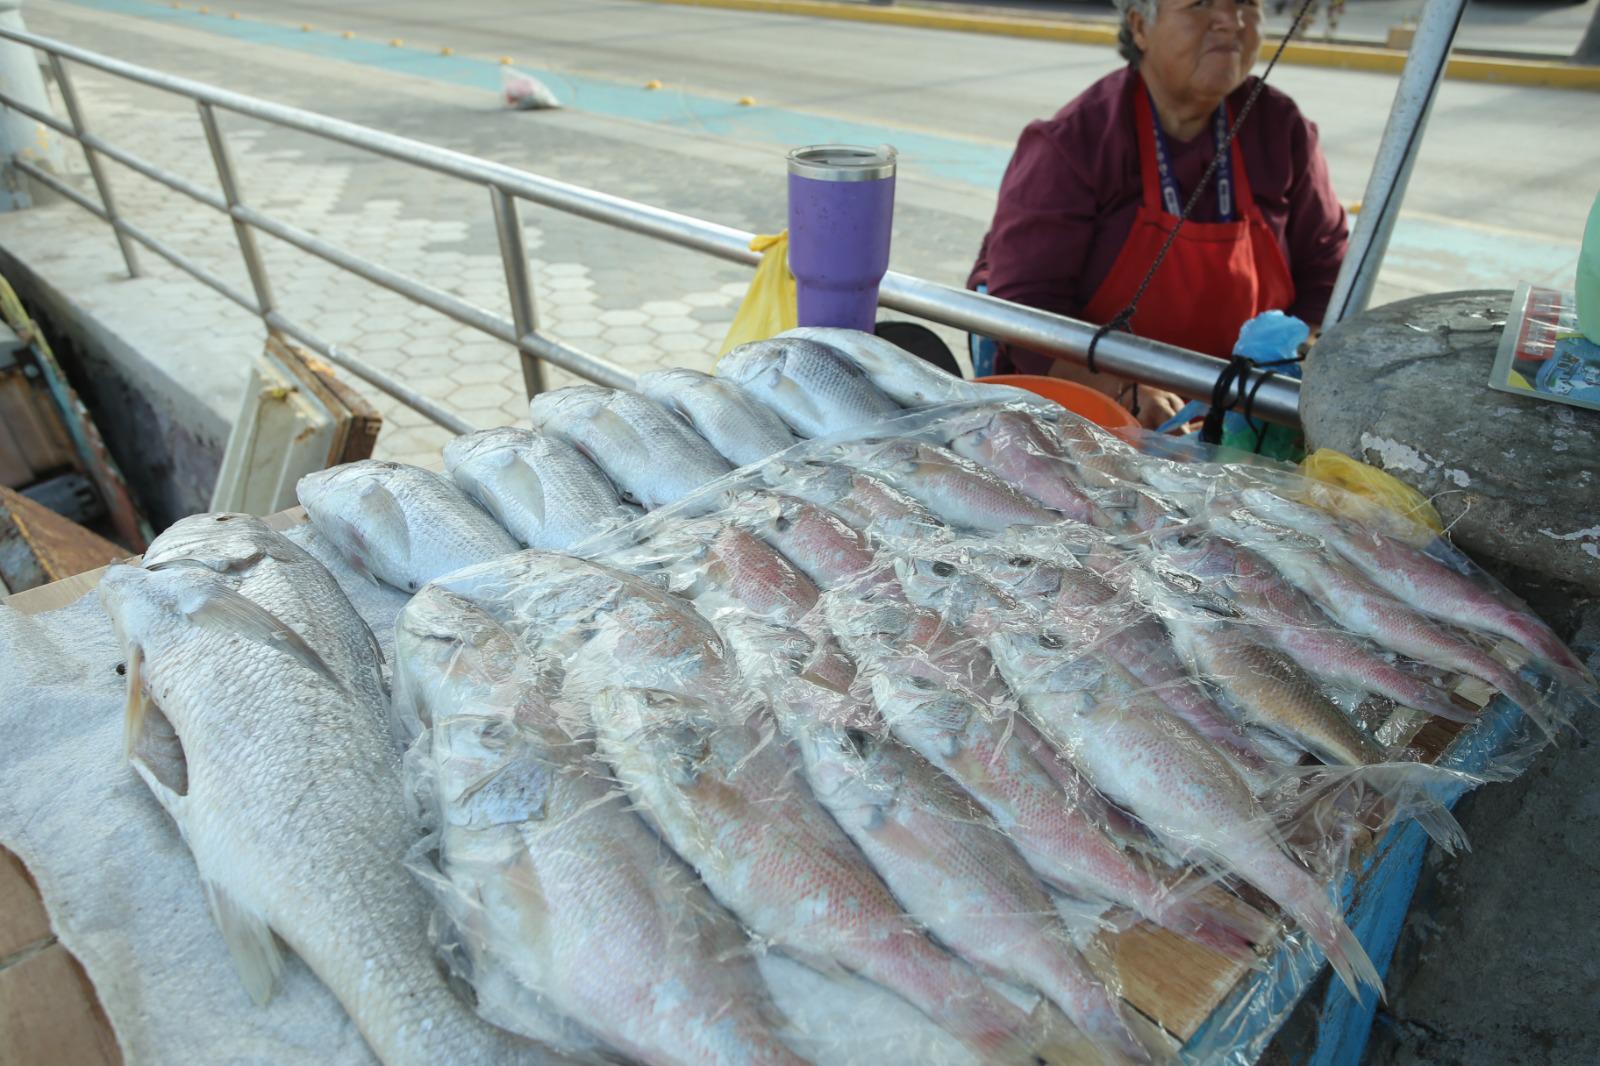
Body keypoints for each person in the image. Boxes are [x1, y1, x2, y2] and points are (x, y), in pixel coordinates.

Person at [968, 0, 1348, 428]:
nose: (1231, 20)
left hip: (1246, 414)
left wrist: (1281, 373)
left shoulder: (1280, 127)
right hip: (1100, 419)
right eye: (1200, 3)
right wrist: (1124, 393)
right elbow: (1026, 316)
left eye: (1247, 2)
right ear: (1140, 27)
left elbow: (1327, 270)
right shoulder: (1076, 142)